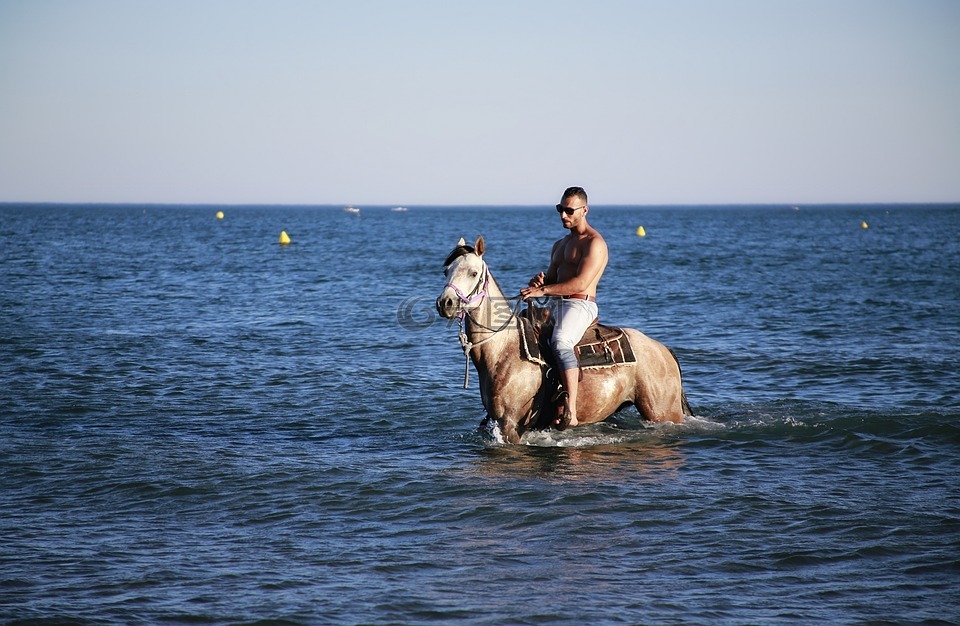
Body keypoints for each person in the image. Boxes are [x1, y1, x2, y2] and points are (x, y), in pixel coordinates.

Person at [520, 186, 608, 430]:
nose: (563, 215)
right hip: (557, 303)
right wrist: (540, 283)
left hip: (580, 304)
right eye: (560, 209)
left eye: (569, 210)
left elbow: (581, 282)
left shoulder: (595, 243)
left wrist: (544, 291)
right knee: (520, 329)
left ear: (584, 210)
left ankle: (572, 411)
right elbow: (551, 279)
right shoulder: (559, 244)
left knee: (560, 342)